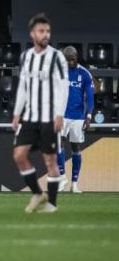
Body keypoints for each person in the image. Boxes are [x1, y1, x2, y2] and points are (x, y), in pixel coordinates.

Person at [12, 13, 69, 213]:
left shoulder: (57, 57)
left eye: (48, 31)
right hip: (30, 117)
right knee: (19, 154)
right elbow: (23, 87)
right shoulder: (26, 57)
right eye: (41, 31)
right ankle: (37, 193)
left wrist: (60, 114)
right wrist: (17, 113)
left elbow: (64, 86)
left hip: (49, 117)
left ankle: (52, 204)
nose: (45, 35)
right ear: (32, 34)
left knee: (50, 160)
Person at [57, 46, 94, 193]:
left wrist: (89, 115)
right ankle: (62, 178)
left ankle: (74, 184)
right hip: (62, 115)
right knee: (59, 144)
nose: (69, 63)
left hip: (78, 117)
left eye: (71, 60)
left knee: (76, 149)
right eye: (66, 60)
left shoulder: (85, 74)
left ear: (76, 58)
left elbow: (90, 97)